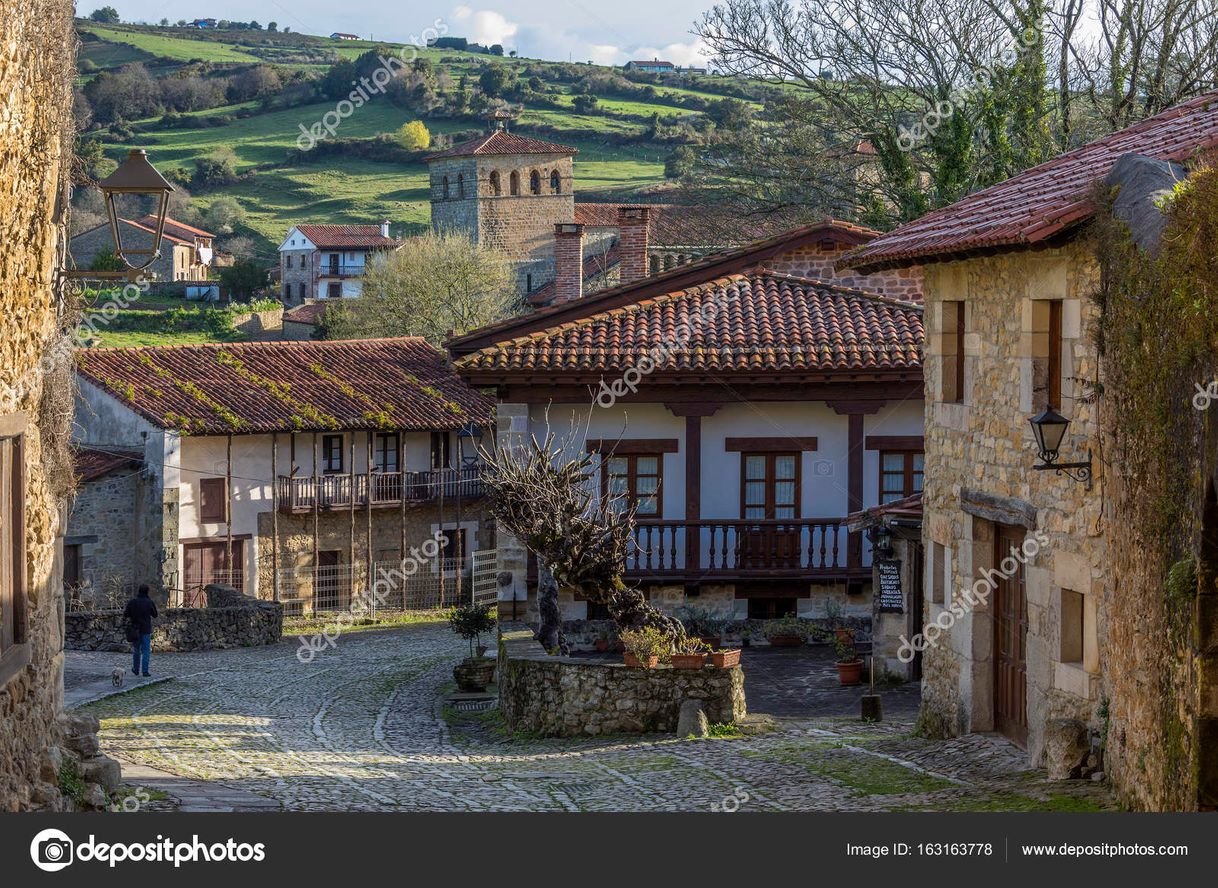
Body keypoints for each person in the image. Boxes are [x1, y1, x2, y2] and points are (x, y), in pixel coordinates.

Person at [123, 585, 158, 677]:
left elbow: (126, 614)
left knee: (136, 650)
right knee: (146, 651)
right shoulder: (149, 602)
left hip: (135, 628)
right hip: (146, 629)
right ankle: (145, 671)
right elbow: (155, 614)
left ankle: (135, 669)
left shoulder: (132, 602)